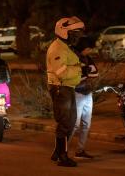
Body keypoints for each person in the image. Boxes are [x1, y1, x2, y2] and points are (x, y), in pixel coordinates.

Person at [47, 16, 85, 167]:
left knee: (70, 121)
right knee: (65, 122)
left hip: (66, 87)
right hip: (60, 88)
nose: (77, 36)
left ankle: (58, 152)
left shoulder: (64, 46)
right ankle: (62, 156)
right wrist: (79, 68)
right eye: (74, 33)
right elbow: (61, 72)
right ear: (64, 32)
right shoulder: (57, 48)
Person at [69, 37, 99, 159]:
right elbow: (74, 77)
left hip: (87, 93)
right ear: (83, 48)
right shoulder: (73, 58)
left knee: (86, 124)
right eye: (88, 49)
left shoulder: (87, 58)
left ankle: (80, 150)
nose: (89, 51)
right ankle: (62, 150)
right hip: (77, 93)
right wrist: (85, 73)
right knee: (74, 124)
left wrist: (85, 73)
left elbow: (95, 73)